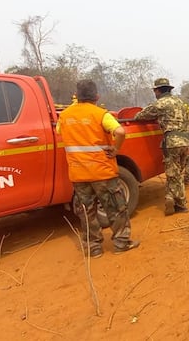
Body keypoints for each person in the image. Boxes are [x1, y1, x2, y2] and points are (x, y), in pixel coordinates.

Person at [57, 80, 140, 257]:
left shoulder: (64, 115)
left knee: (87, 212)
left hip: (79, 173)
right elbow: (120, 132)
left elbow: (59, 131)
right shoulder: (101, 114)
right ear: (97, 96)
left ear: (76, 96)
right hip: (102, 171)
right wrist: (115, 149)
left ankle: (94, 248)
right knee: (116, 208)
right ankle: (121, 243)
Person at [133, 78, 189, 216]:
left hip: (171, 143)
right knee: (177, 173)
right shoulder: (181, 103)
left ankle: (181, 205)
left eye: (155, 91)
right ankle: (170, 197)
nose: (154, 93)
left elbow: (139, 116)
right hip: (185, 142)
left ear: (158, 90)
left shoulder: (160, 104)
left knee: (173, 174)